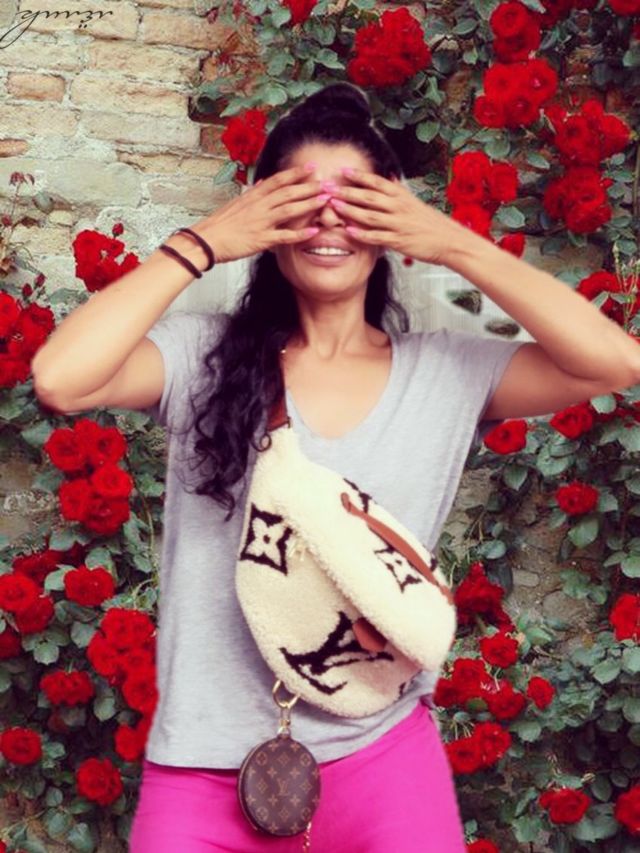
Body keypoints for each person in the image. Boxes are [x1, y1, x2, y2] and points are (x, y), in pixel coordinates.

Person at [32, 82, 640, 852]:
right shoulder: (200, 356)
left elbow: (616, 362)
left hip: (382, 762)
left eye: (354, 202)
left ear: (390, 220)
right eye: (300, 201)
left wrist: (451, 243)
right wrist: (206, 240)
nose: (328, 223)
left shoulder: (448, 372)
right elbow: (61, 378)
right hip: (201, 772)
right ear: (265, 217)